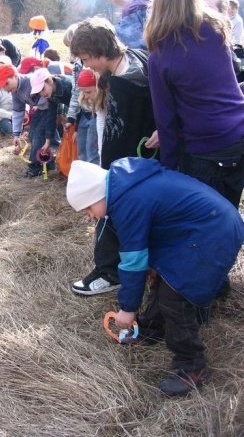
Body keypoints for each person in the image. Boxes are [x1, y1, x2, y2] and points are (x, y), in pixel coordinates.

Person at [66, 158, 244, 396]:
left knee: (176, 297)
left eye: (88, 208)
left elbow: (133, 261)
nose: (89, 216)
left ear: (97, 195)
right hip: (203, 226)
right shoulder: (126, 186)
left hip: (213, 231)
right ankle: (151, 329)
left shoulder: (127, 202)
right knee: (165, 280)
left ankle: (192, 366)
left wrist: (128, 309)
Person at [68, 16, 157, 295]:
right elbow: (104, 120)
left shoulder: (134, 73)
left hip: (138, 162)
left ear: (99, 50)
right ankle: (113, 269)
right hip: (119, 163)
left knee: (116, 217)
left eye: (86, 58)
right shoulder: (110, 74)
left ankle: (109, 273)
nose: (85, 65)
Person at [144, 0, 244, 209]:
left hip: (205, 148)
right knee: (229, 213)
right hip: (239, 134)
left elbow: (165, 120)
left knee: (206, 223)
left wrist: (169, 171)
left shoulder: (160, 56)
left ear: (159, 4)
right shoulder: (217, 33)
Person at [0, 64, 55, 178]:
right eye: (3, 86)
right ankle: (50, 161)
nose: (6, 89)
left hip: (51, 108)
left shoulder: (30, 81)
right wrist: (16, 134)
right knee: (33, 135)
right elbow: (18, 112)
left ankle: (35, 167)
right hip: (41, 110)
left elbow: (48, 94)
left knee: (38, 135)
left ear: (15, 76)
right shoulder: (15, 92)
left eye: (7, 83)